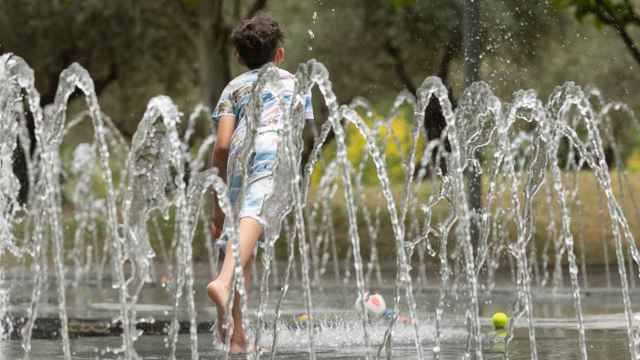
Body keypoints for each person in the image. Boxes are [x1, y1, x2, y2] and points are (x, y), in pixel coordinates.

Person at [206, 13, 313, 353]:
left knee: (243, 246)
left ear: (238, 57)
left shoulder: (233, 88)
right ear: (279, 54)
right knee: (255, 215)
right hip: (273, 150)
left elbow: (222, 144)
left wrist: (216, 202)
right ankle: (223, 282)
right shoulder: (295, 83)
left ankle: (238, 339)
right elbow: (304, 132)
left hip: (240, 153)